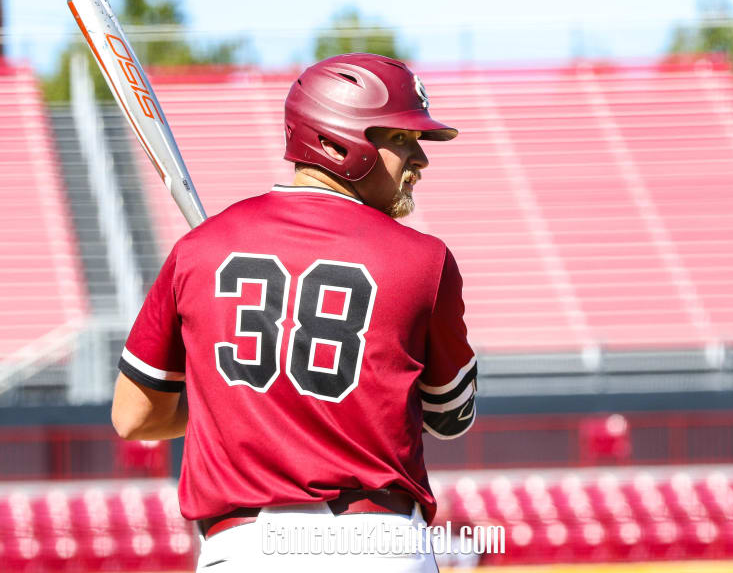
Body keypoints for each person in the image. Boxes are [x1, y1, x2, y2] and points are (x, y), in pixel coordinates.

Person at [111, 53, 477, 572]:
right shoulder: (425, 259)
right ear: (335, 140)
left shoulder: (199, 250)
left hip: (243, 550)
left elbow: (134, 415)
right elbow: (452, 416)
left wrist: (240, 403)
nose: (420, 158)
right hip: (376, 546)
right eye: (400, 139)